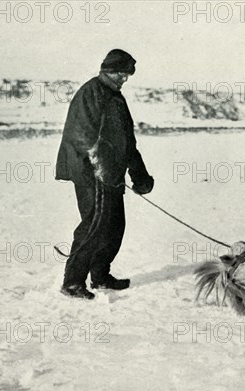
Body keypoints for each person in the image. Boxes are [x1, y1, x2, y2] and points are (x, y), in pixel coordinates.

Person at [55, 49, 154, 299]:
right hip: (91, 173)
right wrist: (100, 170)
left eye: (127, 73)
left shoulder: (115, 97)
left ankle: (100, 277)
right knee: (94, 226)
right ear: (108, 70)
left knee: (114, 227)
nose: (125, 78)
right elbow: (82, 136)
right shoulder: (91, 93)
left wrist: (139, 175)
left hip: (110, 174)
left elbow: (126, 141)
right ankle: (72, 282)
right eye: (121, 73)